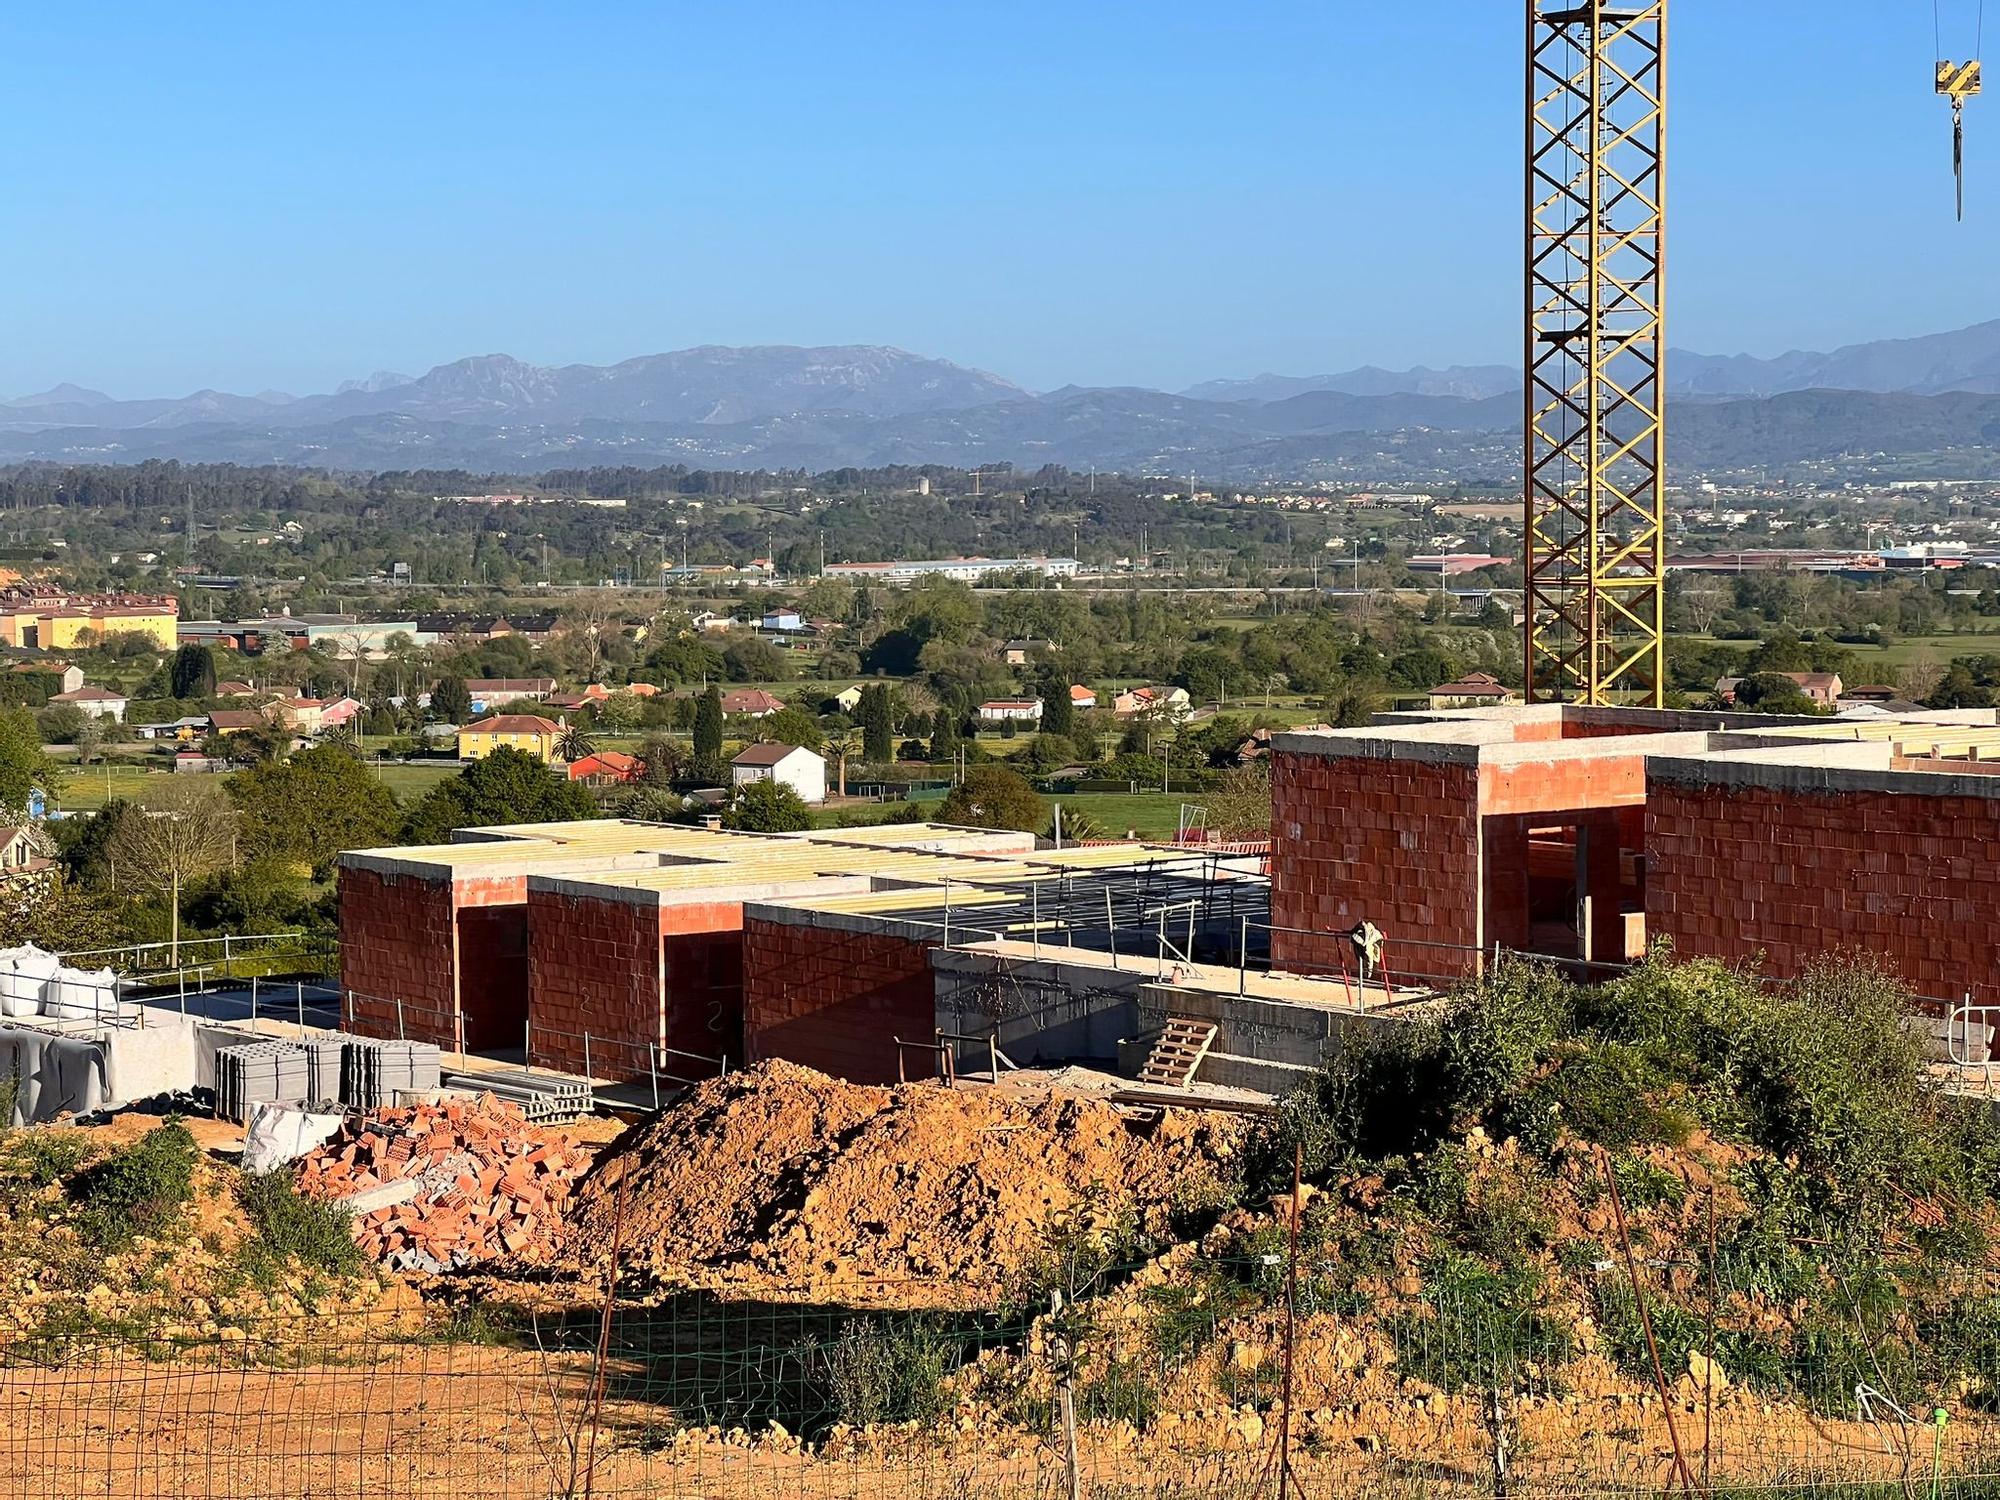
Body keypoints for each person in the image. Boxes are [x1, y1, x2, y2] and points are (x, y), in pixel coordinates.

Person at [1347, 919, 1384, 987]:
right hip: (1367, 940)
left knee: (1373, 959)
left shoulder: (1371, 934)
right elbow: (1349, 932)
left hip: (1375, 940)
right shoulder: (1358, 930)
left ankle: (1370, 976)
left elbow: (1369, 956)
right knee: (1367, 958)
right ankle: (1367, 976)